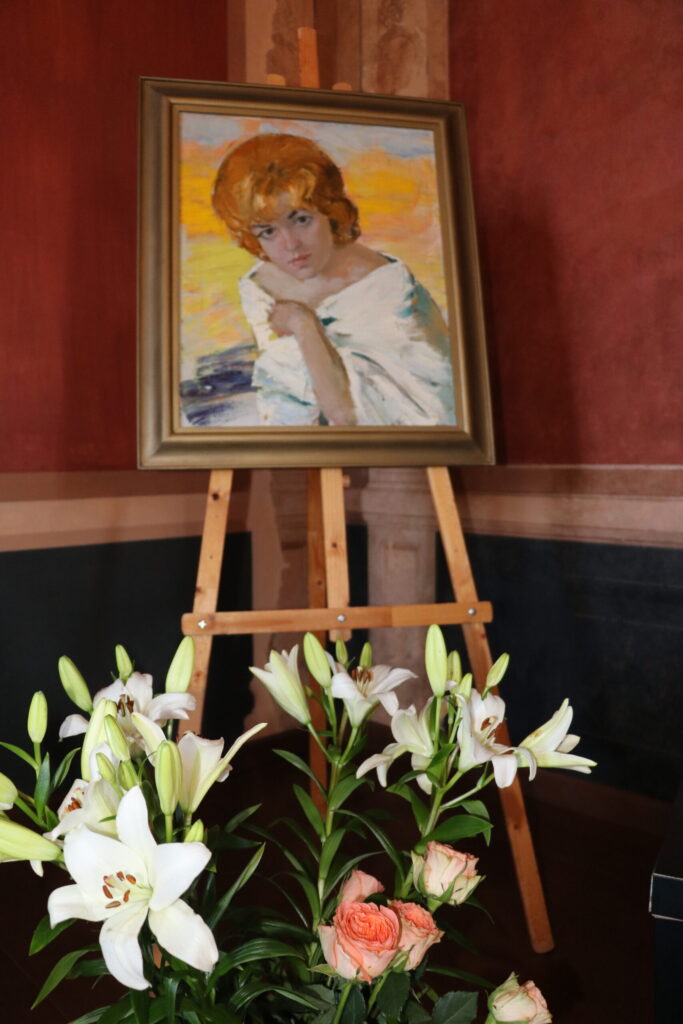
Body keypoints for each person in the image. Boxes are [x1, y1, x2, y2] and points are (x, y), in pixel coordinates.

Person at [211, 132, 456, 427]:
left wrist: (305, 325)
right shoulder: (258, 286)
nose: (291, 245)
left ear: (331, 212)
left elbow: (347, 418)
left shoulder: (386, 290)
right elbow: (282, 394)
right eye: (268, 231)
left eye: (301, 219)